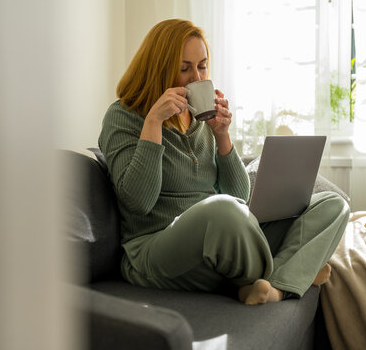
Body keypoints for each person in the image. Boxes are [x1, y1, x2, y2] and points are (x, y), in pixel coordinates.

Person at [98, 19, 350, 305]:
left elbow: (240, 195)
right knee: (222, 210)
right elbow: (138, 202)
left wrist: (222, 136)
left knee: (333, 204)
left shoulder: (200, 117)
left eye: (202, 66)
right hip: (155, 251)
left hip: (221, 243)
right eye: (184, 68)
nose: (196, 77)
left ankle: (273, 287)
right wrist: (154, 122)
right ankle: (294, 273)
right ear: (158, 67)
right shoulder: (123, 116)